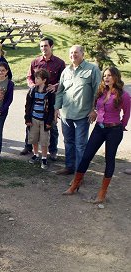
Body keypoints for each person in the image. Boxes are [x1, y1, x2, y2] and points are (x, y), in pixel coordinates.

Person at [63, 67, 130, 204]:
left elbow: (127, 113)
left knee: (109, 160)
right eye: (104, 75)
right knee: (86, 156)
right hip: (99, 128)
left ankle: (102, 193)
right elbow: (97, 106)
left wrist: (120, 126)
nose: (106, 78)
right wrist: (95, 111)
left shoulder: (124, 95)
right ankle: (75, 184)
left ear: (116, 77)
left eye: (109, 75)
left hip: (114, 130)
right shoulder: (101, 91)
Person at [54, 45, 101, 175]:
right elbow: (60, 91)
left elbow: (98, 91)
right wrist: (56, 108)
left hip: (83, 114)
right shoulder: (66, 71)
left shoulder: (92, 69)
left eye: (76, 52)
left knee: (81, 145)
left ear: (82, 54)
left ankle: (79, 174)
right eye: (71, 53)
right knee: (68, 142)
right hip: (66, 114)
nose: (73, 55)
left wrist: (94, 109)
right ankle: (69, 166)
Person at [21, 37, 66, 159]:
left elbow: (64, 80)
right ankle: (28, 146)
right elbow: (29, 77)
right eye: (41, 46)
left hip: (50, 98)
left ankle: (53, 150)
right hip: (36, 97)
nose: (43, 48)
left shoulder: (59, 63)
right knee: (31, 121)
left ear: (51, 47)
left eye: (46, 46)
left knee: (51, 123)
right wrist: (32, 86)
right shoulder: (35, 62)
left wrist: (55, 86)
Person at [24, 69, 55, 169]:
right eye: (35, 77)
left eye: (38, 78)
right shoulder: (32, 90)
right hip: (33, 119)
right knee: (34, 138)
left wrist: (49, 121)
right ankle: (36, 155)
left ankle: (44, 158)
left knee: (44, 140)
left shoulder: (49, 92)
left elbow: (51, 108)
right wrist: (27, 118)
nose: (35, 80)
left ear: (44, 80)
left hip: (44, 120)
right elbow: (28, 105)